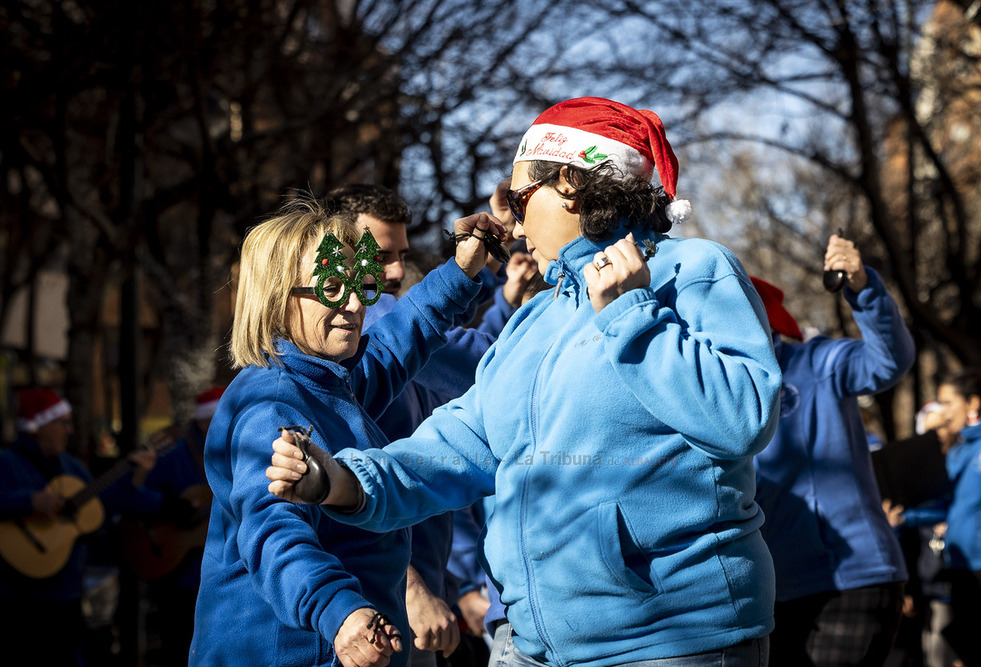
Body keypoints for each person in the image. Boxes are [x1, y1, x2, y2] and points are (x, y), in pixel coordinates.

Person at [268, 96, 783, 666]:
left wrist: (634, 314)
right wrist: (339, 480)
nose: (509, 220)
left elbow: (744, 417)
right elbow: (460, 445)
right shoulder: (536, 317)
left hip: (670, 641)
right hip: (528, 646)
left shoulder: (693, 270)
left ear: (569, 182)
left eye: (518, 198)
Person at [188, 193, 502, 667]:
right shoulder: (270, 405)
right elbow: (274, 532)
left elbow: (401, 339)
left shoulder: (330, 378)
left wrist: (461, 272)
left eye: (362, 283)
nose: (356, 304)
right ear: (277, 298)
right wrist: (340, 613)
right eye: (333, 286)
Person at [324, 182, 533, 667]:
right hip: (375, 597)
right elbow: (495, 365)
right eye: (379, 257)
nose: (396, 273)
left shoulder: (388, 325)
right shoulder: (370, 322)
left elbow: (475, 368)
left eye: (401, 254)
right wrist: (412, 587)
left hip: (411, 585)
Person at [750, 236, 916, 667]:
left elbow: (889, 361)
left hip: (852, 579)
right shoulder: (716, 392)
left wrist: (863, 287)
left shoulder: (817, 361)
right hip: (773, 591)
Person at [0, 387, 156, 666]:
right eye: (62, 423)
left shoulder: (71, 467)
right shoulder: (7, 463)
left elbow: (100, 508)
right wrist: (29, 501)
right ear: (39, 425)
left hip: (67, 591)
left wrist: (136, 475)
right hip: (18, 594)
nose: (69, 430)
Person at [126, 386, 223, 666]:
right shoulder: (174, 453)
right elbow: (133, 497)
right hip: (177, 569)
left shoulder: (232, 452)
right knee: (178, 646)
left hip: (213, 574)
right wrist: (166, 506)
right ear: (206, 421)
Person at [930, 369, 981, 667]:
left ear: (972, 403)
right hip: (960, 565)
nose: (942, 412)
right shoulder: (958, 451)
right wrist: (902, 516)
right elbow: (945, 501)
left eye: (947, 403)